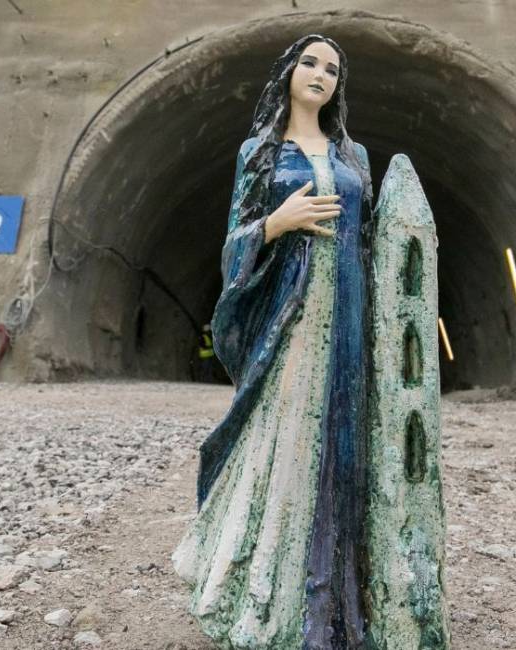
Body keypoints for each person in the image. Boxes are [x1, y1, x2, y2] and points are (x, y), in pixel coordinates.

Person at [172, 35, 441, 650]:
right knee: (288, 437)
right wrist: (275, 224)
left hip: (347, 315)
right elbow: (231, 243)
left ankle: (339, 595)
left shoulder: (354, 156)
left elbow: (373, 241)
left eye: (333, 69)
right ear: (289, 73)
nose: (320, 74)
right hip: (290, 318)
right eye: (311, 63)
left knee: (342, 447)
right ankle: (270, 584)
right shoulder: (259, 153)